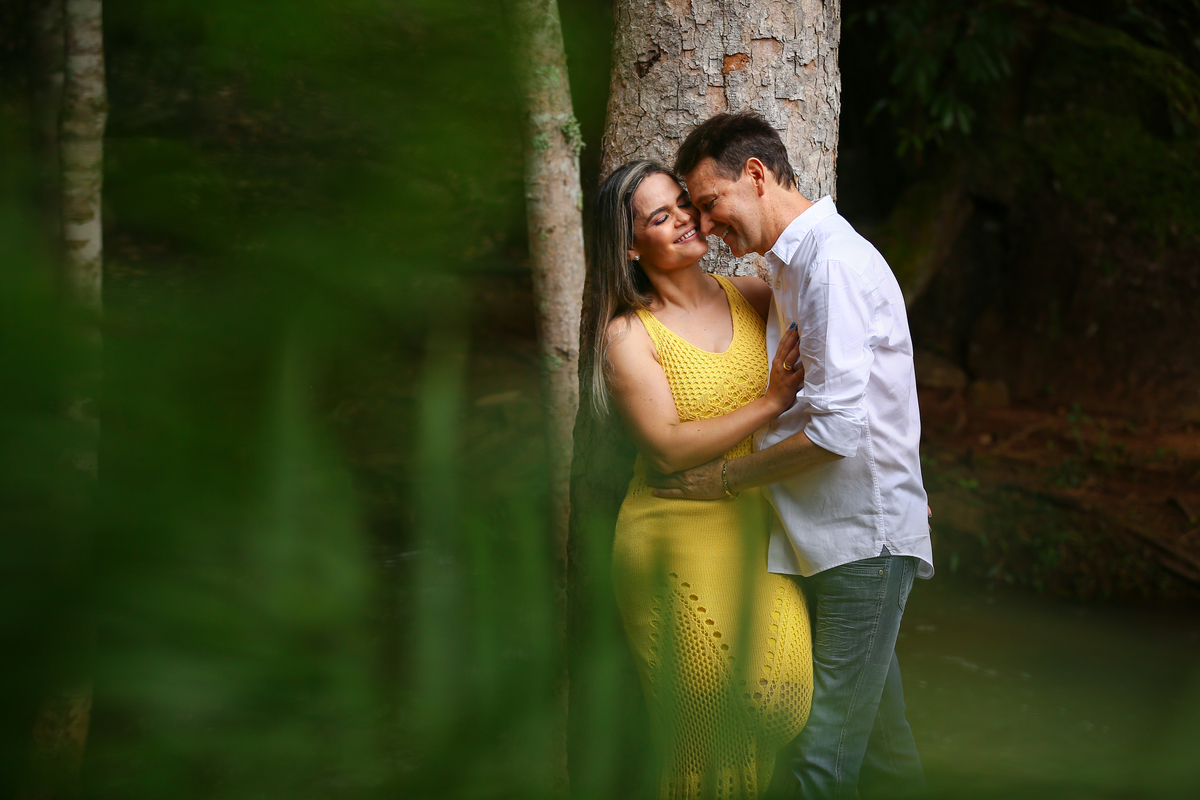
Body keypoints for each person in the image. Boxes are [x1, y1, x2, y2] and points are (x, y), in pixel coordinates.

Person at [648, 112, 935, 799]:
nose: (705, 226)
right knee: (884, 755)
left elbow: (836, 431)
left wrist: (723, 478)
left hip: (862, 542)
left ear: (755, 175)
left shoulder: (830, 263)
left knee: (820, 759)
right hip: (826, 537)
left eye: (710, 203)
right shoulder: (790, 266)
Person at [581, 159, 815, 799]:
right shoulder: (629, 334)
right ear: (631, 247)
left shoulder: (755, 296)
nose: (686, 219)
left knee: (782, 696)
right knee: (706, 722)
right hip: (670, 529)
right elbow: (664, 448)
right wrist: (769, 402)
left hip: (755, 525)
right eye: (661, 217)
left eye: (683, 203)